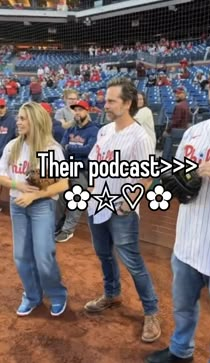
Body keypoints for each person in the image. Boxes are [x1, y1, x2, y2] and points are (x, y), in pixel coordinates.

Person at [145, 57, 210, 363]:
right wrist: (174, 185)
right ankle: (180, 352)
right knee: (183, 307)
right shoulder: (193, 133)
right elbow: (177, 183)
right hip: (186, 241)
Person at [85, 78, 161, 343]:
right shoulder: (104, 131)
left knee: (133, 262)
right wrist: (94, 187)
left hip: (121, 211)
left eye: (111, 101)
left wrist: (129, 203)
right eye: (106, 100)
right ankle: (112, 294)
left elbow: (147, 177)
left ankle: (151, 311)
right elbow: (94, 162)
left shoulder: (140, 136)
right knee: (103, 254)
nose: (105, 105)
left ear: (127, 103)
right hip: (97, 206)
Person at [0, 102, 68, 317]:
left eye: (22, 118)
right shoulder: (13, 146)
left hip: (41, 206)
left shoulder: (51, 148)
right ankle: (32, 296)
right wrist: (17, 185)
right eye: (18, 118)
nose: (17, 122)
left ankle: (57, 294)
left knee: (43, 254)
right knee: (21, 255)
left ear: (35, 120)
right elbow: (1, 175)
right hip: (17, 205)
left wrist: (35, 195)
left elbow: (62, 184)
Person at [55, 100, 99, 243]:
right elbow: (62, 147)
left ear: (87, 111)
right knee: (60, 197)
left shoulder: (94, 130)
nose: (77, 112)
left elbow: (89, 150)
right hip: (68, 167)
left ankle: (68, 230)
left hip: (83, 170)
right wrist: (69, 149)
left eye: (80, 110)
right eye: (75, 110)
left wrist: (70, 148)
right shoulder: (70, 130)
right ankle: (57, 225)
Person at [0, 98, 16, 211]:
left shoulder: (12, 121)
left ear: (5, 107)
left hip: (5, 155)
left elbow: (15, 138)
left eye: (2, 107)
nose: (0, 110)